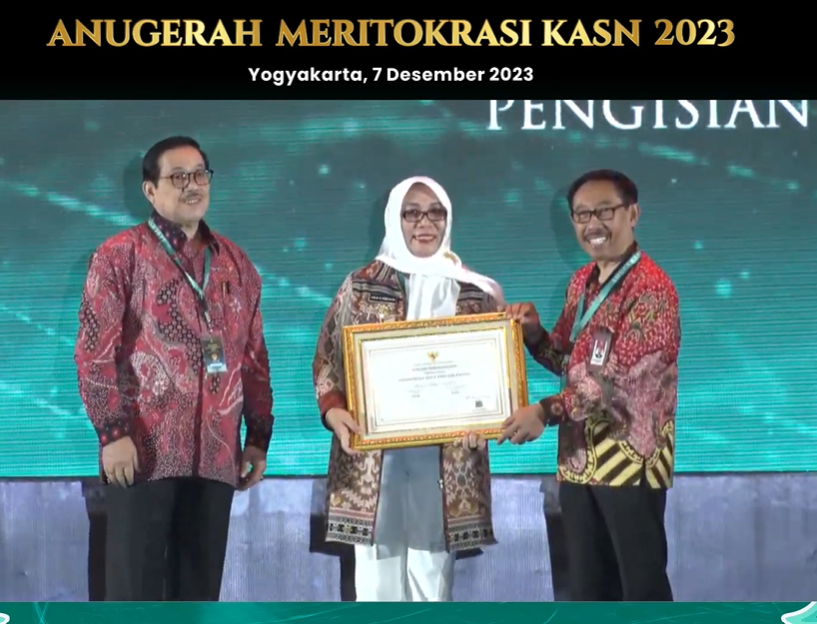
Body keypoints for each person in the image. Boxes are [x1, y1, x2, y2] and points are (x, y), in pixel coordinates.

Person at [75, 136, 274, 602]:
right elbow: (93, 352)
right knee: (134, 593)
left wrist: (258, 436)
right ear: (150, 190)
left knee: (199, 595)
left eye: (200, 174)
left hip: (217, 453)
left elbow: (254, 358)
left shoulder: (237, 264)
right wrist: (112, 433)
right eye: (178, 177)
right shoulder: (119, 256)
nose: (193, 185)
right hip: (142, 452)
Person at [311, 176, 505, 602]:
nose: (425, 222)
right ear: (393, 219)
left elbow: (492, 373)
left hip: (448, 457)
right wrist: (334, 410)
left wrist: (487, 420)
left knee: (433, 577)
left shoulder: (476, 291)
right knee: (376, 580)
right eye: (411, 213)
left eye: (436, 212)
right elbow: (327, 358)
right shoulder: (361, 285)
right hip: (372, 456)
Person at [500, 169, 680, 602]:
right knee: (587, 591)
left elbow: (611, 381)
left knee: (640, 590)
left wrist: (544, 411)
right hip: (579, 463)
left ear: (632, 214)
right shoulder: (582, 282)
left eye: (605, 211)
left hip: (632, 466)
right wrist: (534, 336)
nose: (593, 224)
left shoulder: (652, 290)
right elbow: (569, 363)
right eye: (582, 215)